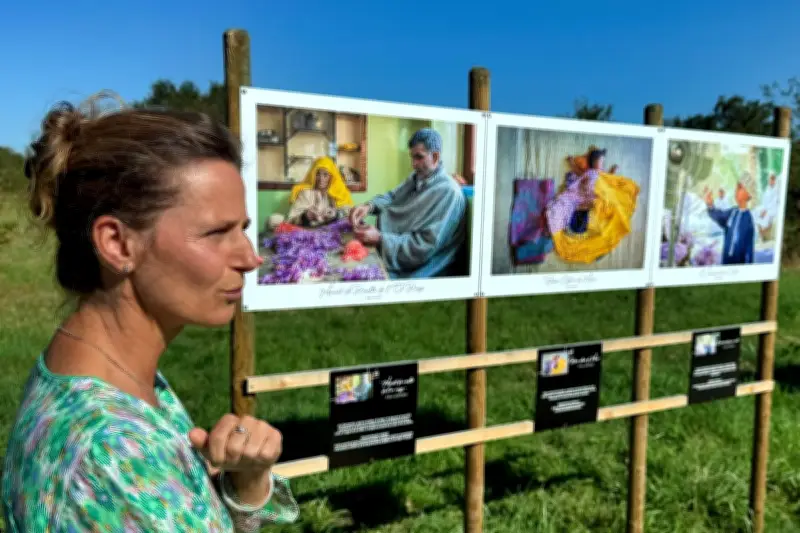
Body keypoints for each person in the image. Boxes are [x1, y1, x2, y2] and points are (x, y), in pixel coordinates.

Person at [1, 93, 299, 532]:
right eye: (217, 232)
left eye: (244, 229)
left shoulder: (118, 376)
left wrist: (247, 486)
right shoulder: (108, 456)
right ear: (118, 244)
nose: (251, 258)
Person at [348, 128, 466, 279]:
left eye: (419, 157)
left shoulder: (448, 192)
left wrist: (380, 238)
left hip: (426, 268)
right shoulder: (418, 177)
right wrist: (369, 206)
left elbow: (424, 246)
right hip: (394, 249)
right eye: (412, 157)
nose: (413, 164)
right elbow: (392, 197)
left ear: (435, 157)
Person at [286, 156, 353, 227]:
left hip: (335, 233)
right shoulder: (306, 193)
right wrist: (305, 216)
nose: (321, 179)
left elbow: (350, 214)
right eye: (317, 174)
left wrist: (336, 214)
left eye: (325, 174)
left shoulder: (339, 192)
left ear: (332, 177)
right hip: (309, 234)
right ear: (313, 175)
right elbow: (291, 219)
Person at [704, 176, 756, 265]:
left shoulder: (748, 220)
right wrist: (710, 205)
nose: (736, 191)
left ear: (748, 194)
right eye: (736, 188)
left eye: (740, 188)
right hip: (726, 261)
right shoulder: (732, 212)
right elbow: (719, 216)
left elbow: (749, 248)